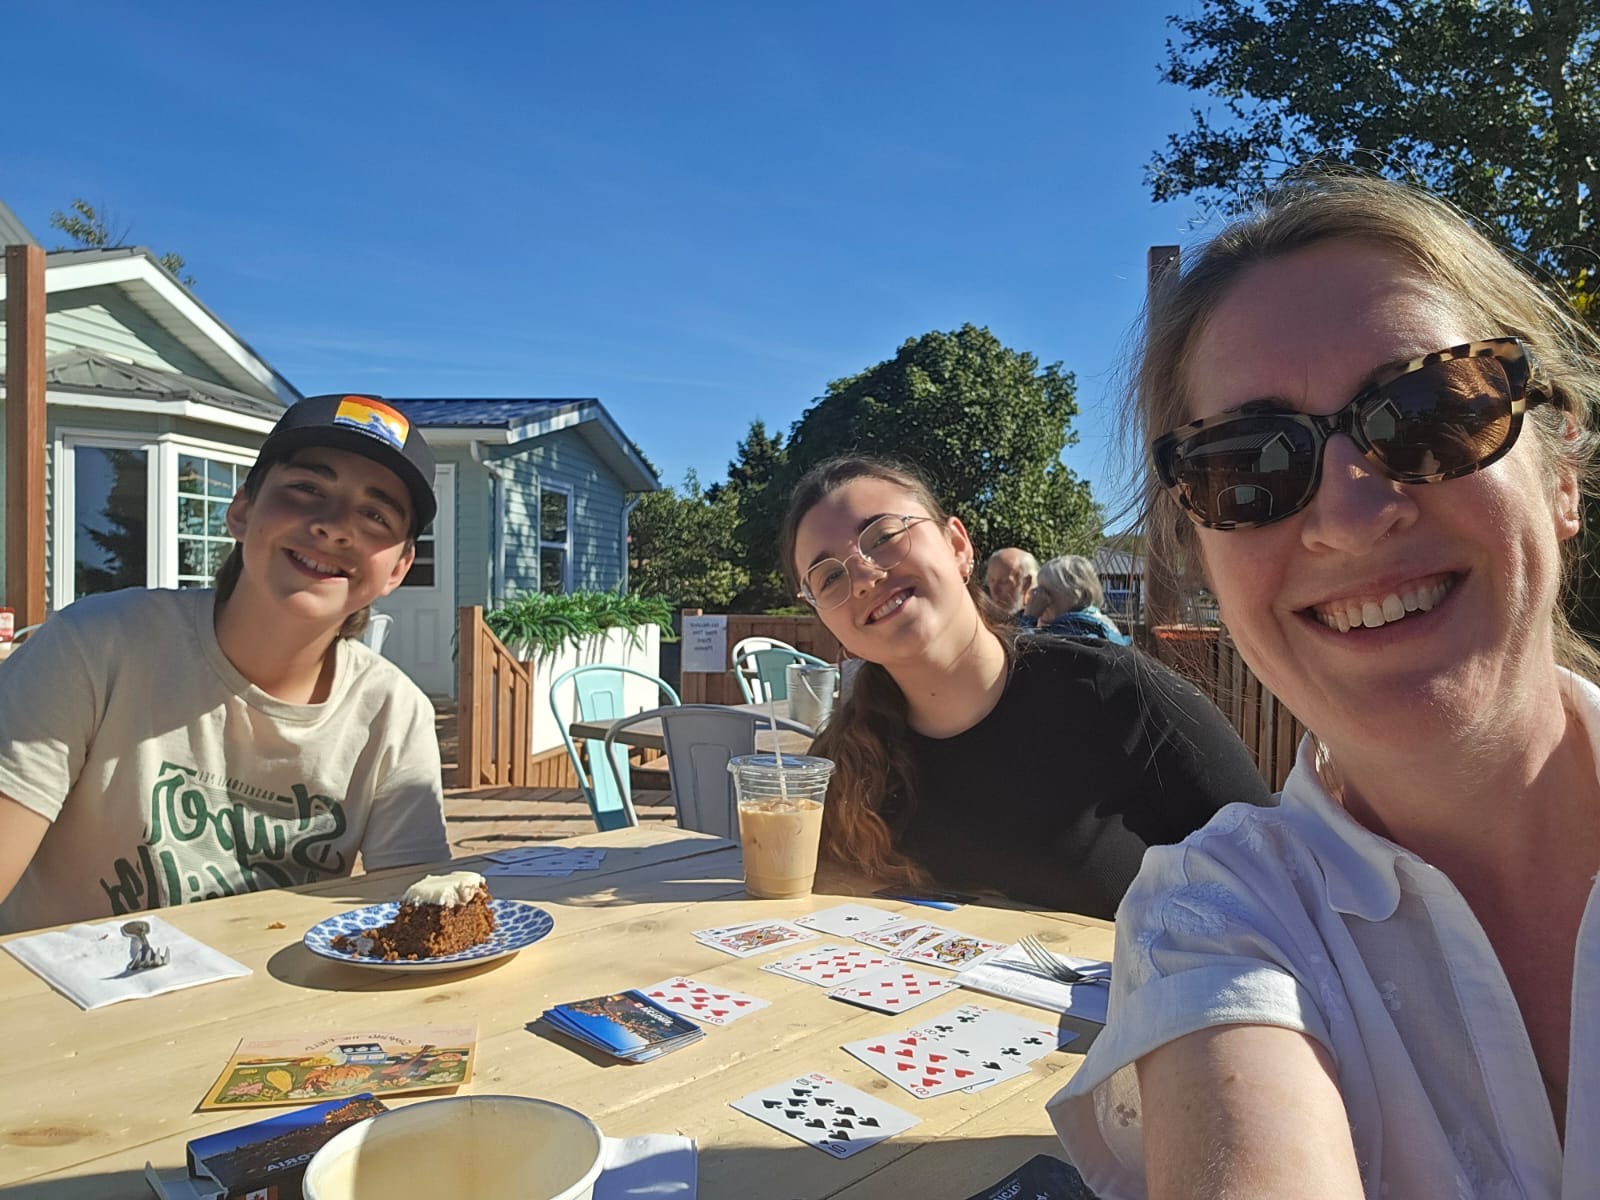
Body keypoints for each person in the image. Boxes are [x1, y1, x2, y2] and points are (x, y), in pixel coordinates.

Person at [1049, 173, 1600, 1196]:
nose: (1349, 517)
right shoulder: (1214, 919)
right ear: (1203, 557)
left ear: (1559, 474)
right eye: (1246, 466)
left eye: (1431, 410)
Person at [0, 394, 451, 934]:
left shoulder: (393, 713)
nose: (335, 526)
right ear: (241, 511)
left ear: (398, 570)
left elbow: (420, 922)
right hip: (60, 1001)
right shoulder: (95, 645)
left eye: (376, 515)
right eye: (307, 489)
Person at [781, 456, 1271, 918]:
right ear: (827, 621)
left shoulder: (1117, 693)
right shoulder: (842, 770)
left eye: (884, 535)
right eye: (828, 578)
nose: (864, 576)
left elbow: (1283, 887)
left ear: (958, 546)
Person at [1021, 554, 1131, 644]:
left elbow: (1022, 654)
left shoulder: (1072, 630)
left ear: (1074, 594)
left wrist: (1029, 618)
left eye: (1045, 592)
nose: (1039, 599)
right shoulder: (1101, 623)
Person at [983, 547, 1038, 617]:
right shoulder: (982, 619)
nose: (995, 590)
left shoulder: (1043, 622)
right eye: (991, 580)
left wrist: (1029, 618)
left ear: (1026, 583)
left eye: (1004, 581)